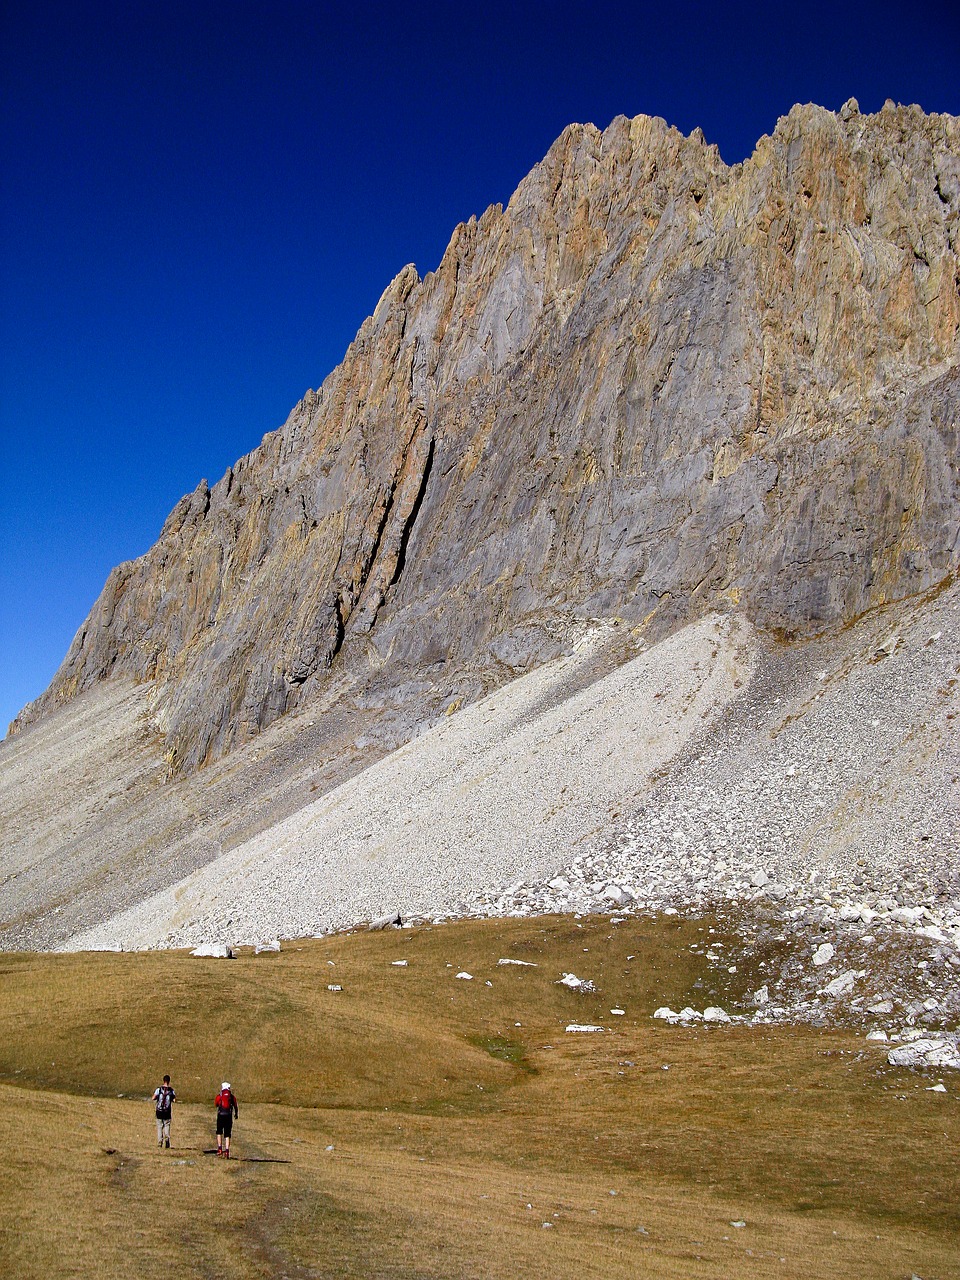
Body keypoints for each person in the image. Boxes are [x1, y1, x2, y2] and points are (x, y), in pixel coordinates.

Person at [215, 1081, 239, 1157]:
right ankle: (227, 1151)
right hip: (228, 1116)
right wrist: (236, 1114)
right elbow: (235, 1105)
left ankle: (219, 1149)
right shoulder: (231, 1097)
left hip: (221, 1115)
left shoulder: (220, 1096)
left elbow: (216, 1104)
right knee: (227, 1134)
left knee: (219, 1132)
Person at [152, 1074, 176, 1148]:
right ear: (169, 1081)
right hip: (167, 1112)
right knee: (167, 1125)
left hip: (159, 1111)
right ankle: (167, 1138)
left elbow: (153, 1098)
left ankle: (160, 1142)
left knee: (159, 1127)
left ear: (163, 1080)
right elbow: (174, 1100)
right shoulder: (171, 1090)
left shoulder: (159, 1090)